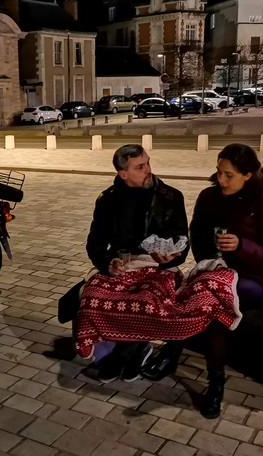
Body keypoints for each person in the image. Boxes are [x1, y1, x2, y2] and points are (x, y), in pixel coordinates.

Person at [142, 143, 263, 419]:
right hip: (212, 272)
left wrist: (242, 245)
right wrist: (211, 258)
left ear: (248, 175)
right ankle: (212, 380)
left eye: (228, 175)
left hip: (251, 279)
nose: (221, 180)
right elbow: (196, 234)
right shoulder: (210, 196)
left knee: (210, 300)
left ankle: (179, 355)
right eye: (219, 172)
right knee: (207, 300)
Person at [84, 144, 189, 383]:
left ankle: (121, 356)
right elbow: (95, 242)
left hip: (158, 267)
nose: (148, 170)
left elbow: (182, 241)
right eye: (140, 167)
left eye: (148, 162)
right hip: (123, 264)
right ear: (123, 174)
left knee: (148, 299)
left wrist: (171, 257)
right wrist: (106, 263)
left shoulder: (170, 196)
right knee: (91, 296)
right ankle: (138, 349)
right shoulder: (108, 199)